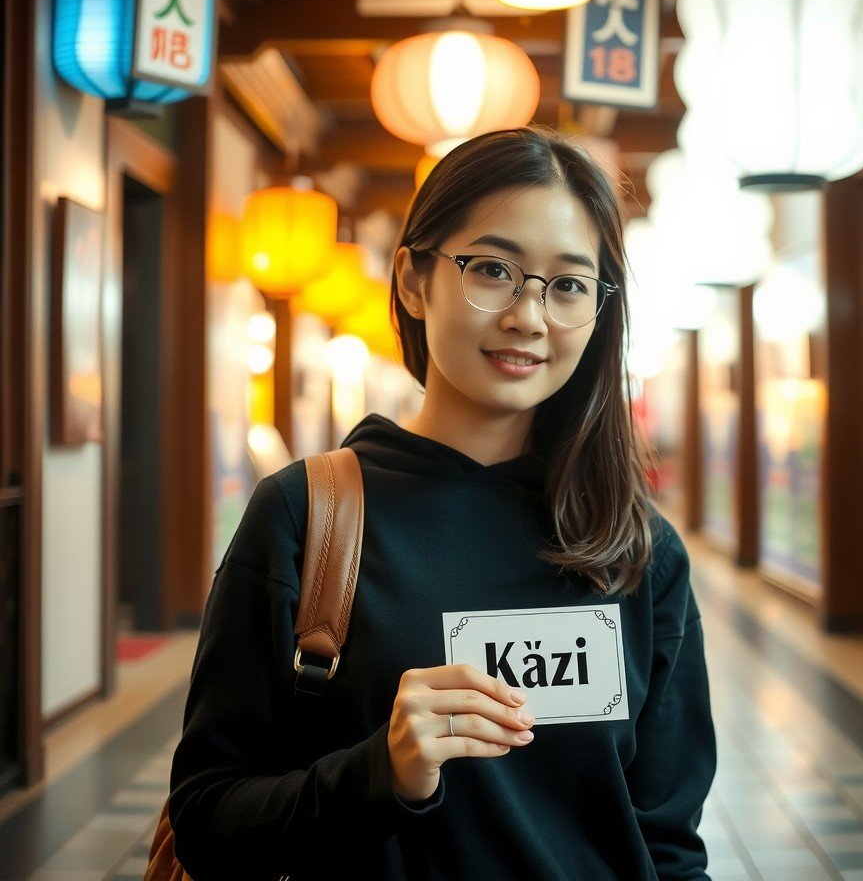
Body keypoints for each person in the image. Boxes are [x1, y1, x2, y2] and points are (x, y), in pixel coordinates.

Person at [168, 126, 716, 880]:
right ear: (413, 280)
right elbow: (207, 822)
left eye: (567, 285)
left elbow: (668, 844)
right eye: (493, 269)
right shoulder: (309, 516)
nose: (530, 315)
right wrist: (381, 772)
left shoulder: (634, 547)